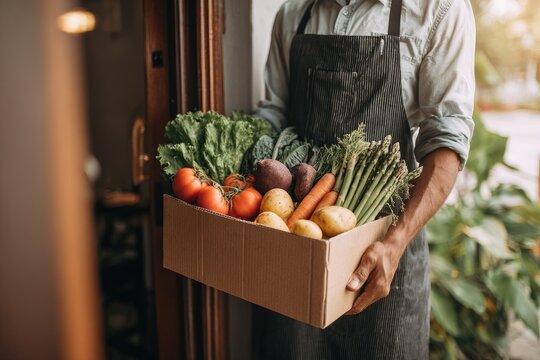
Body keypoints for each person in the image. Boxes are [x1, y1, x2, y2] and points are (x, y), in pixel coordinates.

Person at [253, 0, 475, 359]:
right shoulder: (294, 12)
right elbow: (274, 110)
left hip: (387, 255)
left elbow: (447, 142)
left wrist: (396, 241)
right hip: (298, 247)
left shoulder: (439, 9)